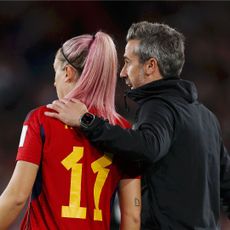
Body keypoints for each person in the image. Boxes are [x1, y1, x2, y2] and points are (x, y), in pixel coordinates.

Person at [45, 21, 230, 230]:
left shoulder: (159, 106)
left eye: (127, 62)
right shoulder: (207, 117)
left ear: (151, 66)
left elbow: (147, 146)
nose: (123, 72)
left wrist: (87, 121)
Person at [0, 32, 141, 230]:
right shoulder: (125, 131)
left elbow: (16, 198)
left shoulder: (43, 119)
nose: (54, 82)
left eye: (55, 73)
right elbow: (132, 216)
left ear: (67, 72)